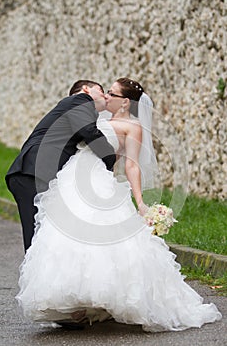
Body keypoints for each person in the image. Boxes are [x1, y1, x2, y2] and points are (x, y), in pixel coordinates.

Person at [15, 78, 221, 332]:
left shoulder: (132, 127)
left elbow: (131, 164)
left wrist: (140, 201)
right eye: (106, 92)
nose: (107, 96)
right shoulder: (93, 116)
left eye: (111, 93)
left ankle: (106, 301)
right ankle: (77, 302)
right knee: (65, 239)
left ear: (125, 101)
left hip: (99, 183)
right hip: (70, 180)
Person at [5, 80, 116, 252]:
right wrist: (110, 159)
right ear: (86, 89)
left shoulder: (73, 108)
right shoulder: (80, 100)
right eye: (101, 91)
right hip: (33, 171)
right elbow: (89, 131)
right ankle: (36, 278)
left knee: (44, 234)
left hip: (36, 172)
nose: (105, 96)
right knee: (37, 237)